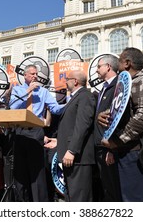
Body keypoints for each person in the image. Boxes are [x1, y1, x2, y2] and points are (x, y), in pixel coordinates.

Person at [100, 47, 143, 202]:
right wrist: (105, 115)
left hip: (136, 151)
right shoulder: (127, 83)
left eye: (119, 60)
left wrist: (117, 140)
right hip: (125, 150)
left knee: (137, 198)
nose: (116, 63)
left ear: (127, 63)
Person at [9, 64, 65, 202]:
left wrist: (71, 101)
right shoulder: (17, 89)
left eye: (36, 74)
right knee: (21, 172)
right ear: (25, 75)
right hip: (20, 132)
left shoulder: (43, 92)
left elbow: (56, 109)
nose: (35, 76)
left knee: (37, 172)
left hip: (36, 132)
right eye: (32, 74)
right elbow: (12, 107)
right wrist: (27, 92)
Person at [54, 70, 96, 201]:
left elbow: (82, 125)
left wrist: (72, 150)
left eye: (68, 79)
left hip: (79, 158)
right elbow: (70, 126)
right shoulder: (76, 97)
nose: (65, 81)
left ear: (75, 81)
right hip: (72, 158)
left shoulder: (85, 96)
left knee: (79, 198)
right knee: (72, 196)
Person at [93, 55, 122, 201]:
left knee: (115, 190)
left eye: (99, 66)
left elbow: (117, 117)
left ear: (108, 67)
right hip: (100, 146)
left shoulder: (118, 85)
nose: (97, 70)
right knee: (107, 190)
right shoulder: (103, 88)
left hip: (110, 147)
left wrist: (111, 148)